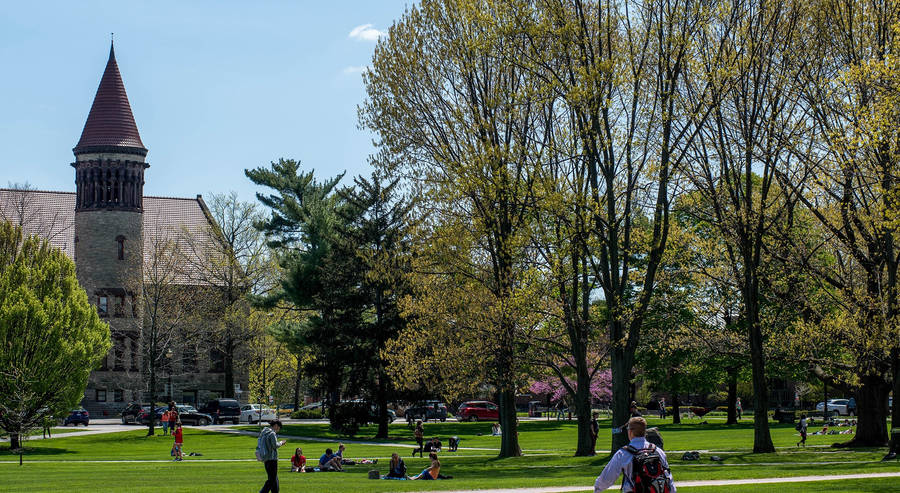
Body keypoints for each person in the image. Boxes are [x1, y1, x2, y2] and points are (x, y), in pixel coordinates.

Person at [593, 417, 675, 493]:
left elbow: (607, 479)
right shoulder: (657, 451)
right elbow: (668, 477)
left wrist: (597, 489)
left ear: (630, 431)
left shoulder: (623, 453)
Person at [257, 419, 286, 493]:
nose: (279, 429)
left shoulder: (264, 433)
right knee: (271, 480)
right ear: (276, 426)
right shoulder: (272, 433)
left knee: (274, 478)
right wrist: (281, 442)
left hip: (266, 458)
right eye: (279, 427)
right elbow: (275, 445)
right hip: (272, 459)